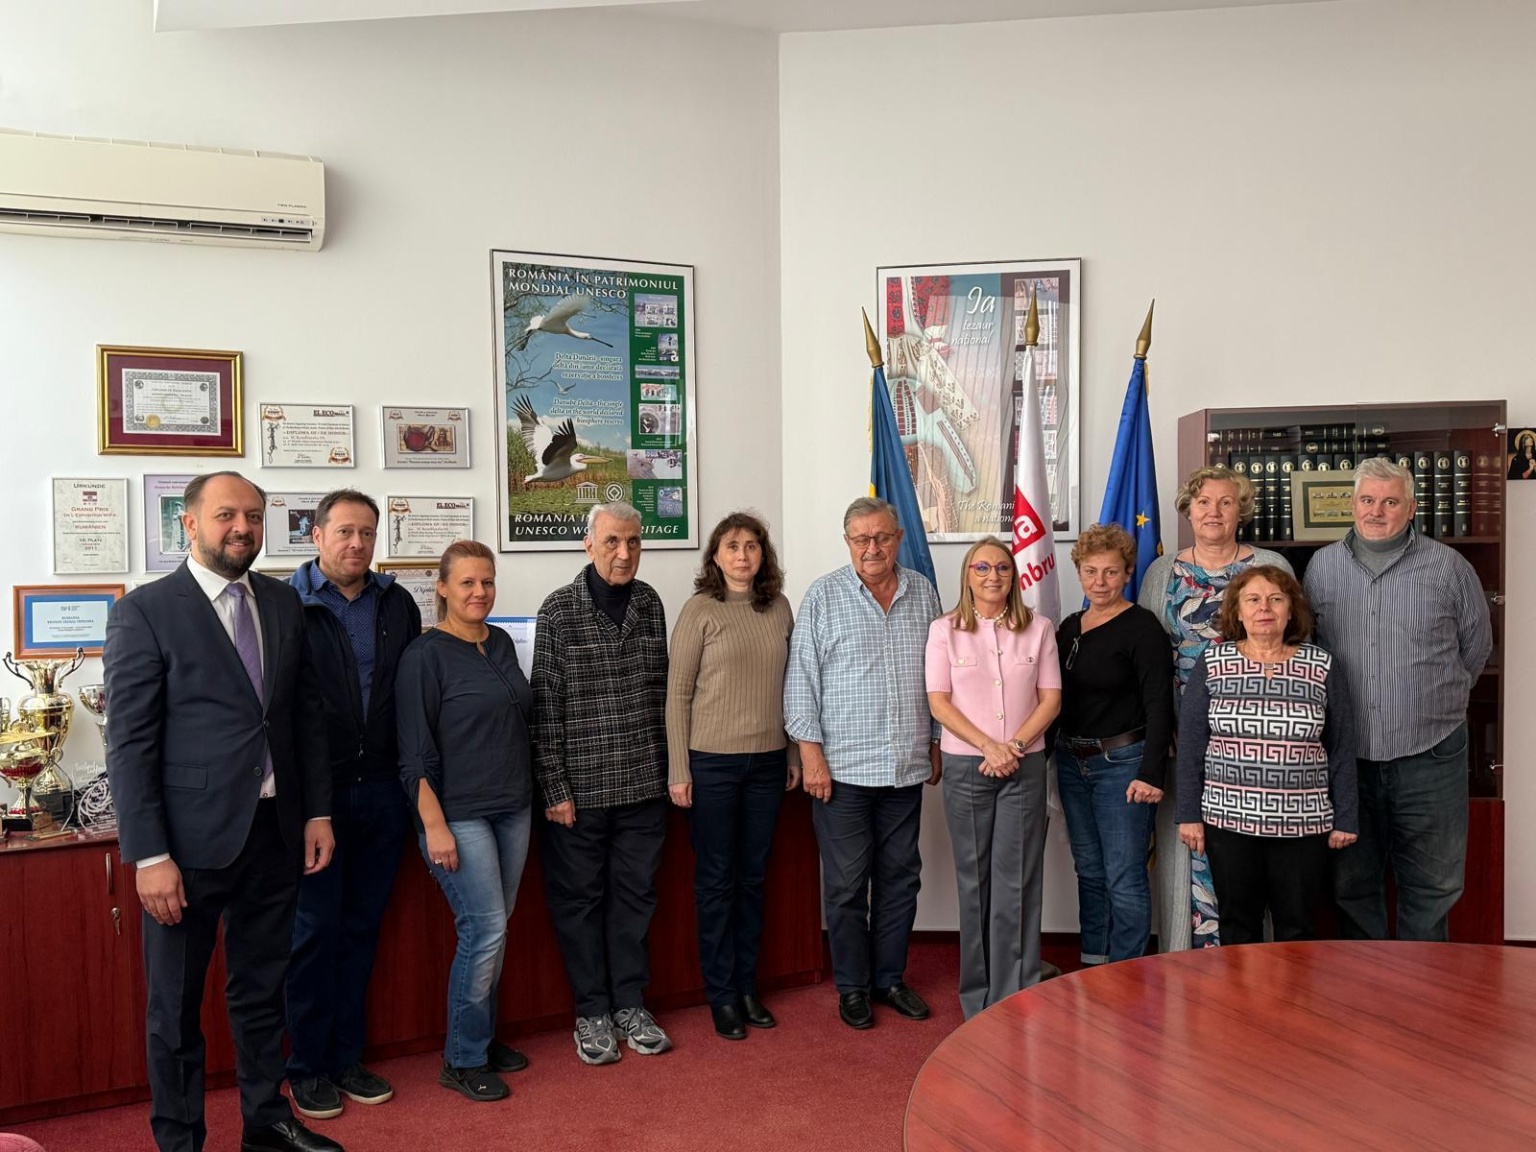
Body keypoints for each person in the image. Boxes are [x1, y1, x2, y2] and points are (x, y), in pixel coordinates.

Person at [103, 471, 341, 1152]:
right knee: (175, 1007)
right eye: (226, 515)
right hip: (185, 848)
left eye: (254, 517)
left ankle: (265, 1122)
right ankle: (180, 1139)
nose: (243, 528)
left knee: (262, 990)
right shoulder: (146, 611)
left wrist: (317, 812)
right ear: (189, 523)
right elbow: (130, 743)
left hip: (274, 833)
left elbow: (303, 717)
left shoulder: (283, 602)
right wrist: (149, 855)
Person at [1304, 456, 1492, 941]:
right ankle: (1365, 987)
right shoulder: (1322, 568)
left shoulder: (1449, 567)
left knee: (1433, 887)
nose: (1376, 511)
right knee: (1352, 884)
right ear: (1352, 504)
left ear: (1411, 508)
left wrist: (1430, 701)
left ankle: (1423, 986)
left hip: (1432, 753)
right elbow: (1309, 649)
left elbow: (1476, 648)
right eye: (1367, 500)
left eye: (1390, 502)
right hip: (1348, 757)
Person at [284, 490, 421, 1121]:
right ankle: (306, 1068)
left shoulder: (397, 602)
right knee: (314, 934)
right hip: (318, 799)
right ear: (316, 536)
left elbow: (411, 695)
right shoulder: (287, 604)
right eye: (343, 532)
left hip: (384, 791)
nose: (357, 544)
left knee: (362, 930)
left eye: (366, 532)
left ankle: (345, 1059)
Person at [784, 496, 942, 1030]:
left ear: (898, 538)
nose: (872, 548)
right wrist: (810, 755)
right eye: (861, 539)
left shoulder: (923, 592)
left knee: (901, 879)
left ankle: (889, 979)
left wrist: (935, 741)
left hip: (904, 766)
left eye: (882, 537)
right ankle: (852, 987)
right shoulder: (823, 596)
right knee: (848, 886)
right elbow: (800, 681)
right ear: (847, 541)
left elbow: (940, 676)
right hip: (842, 772)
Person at [533, 503, 673, 1064]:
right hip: (581, 792)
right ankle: (591, 1011)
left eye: (633, 541)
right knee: (580, 905)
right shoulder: (558, 609)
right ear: (588, 544)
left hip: (643, 784)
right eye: (612, 541)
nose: (624, 553)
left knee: (635, 902)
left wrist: (671, 773)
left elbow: (662, 694)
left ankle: (630, 1004)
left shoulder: (650, 603)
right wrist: (554, 788)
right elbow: (545, 705)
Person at [397, 540, 534, 1102]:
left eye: (487, 582)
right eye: (468, 583)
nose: (480, 592)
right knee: (484, 929)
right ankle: (462, 1058)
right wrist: (434, 826)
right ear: (443, 589)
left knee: (496, 931)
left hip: (514, 806)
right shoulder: (423, 656)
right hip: (458, 816)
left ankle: (477, 1035)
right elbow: (414, 755)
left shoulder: (498, 642)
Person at [1139, 465, 1293, 951]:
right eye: (1204, 502)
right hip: (1182, 734)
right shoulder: (1162, 573)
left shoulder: (1270, 566)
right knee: (1188, 842)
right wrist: (1165, 729)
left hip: (1255, 740)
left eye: (1226, 502)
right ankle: (1188, 961)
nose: (1214, 512)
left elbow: (1292, 647)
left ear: (1240, 511)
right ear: (1188, 510)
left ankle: (1251, 963)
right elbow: (1149, 661)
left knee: (1249, 852)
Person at [666, 512, 801, 1041]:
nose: (742, 555)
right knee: (716, 882)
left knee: (752, 879)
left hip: (768, 763)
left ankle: (747, 987)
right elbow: (677, 695)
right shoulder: (699, 610)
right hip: (712, 764)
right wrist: (679, 769)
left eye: (751, 546)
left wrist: (792, 754)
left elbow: (792, 686)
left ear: (763, 555)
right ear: (716, 557)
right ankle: (721, 995)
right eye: (732, 546)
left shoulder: (779, 607)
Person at [1175, 566, 1359, 944]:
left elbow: (1341, 746)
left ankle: (1293, 989)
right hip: (1228, 821)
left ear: (1291, 610)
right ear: (1237, 612)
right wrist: (1188, 814)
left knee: (1298, 927)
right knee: (1237, 926)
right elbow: (1192, 744)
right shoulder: (1213, 664)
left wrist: (1346, 817)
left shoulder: (1321, 665)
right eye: (1253, 600)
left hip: (1302, 824)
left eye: (1276, 599)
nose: (1265, 608)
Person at [925, 537, 1060, 1019]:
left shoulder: (1039, 628)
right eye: (981, 567)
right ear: (967, 575)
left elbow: (1050, 699)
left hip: (1024, 766)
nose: (992, 576)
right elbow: (939, 702)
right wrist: (989, 746)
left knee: (1018, 881)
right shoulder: (944, 630)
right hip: (968, 766)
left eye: (1001, 567)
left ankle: (1015, 992)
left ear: (1014, 576)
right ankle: (977, 998)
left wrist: (1013, 747)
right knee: (975, 881)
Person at [1054, 523, 1173, 966]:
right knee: (1089, 870)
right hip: (1071, 761)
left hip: (1123, 764)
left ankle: (1126, 974)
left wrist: (1152, 772)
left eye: (1110, 572)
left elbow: (1159, 703)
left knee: (1124, 875)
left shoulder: (1142, 627)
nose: (1099, 582)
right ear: (1079, 573)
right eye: (1090, 571)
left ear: (1127, 573)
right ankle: (1093, 965)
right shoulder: (1069, 627)